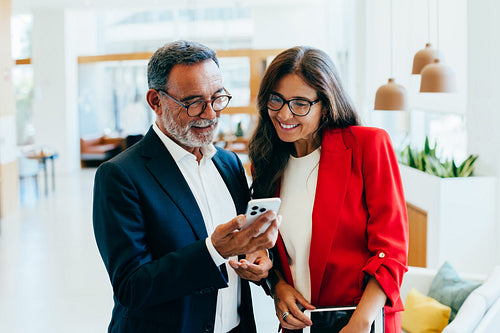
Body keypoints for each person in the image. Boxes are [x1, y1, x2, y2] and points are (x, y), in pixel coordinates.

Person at [93, 40, 280, 333]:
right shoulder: (120, 175)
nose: (210, 114)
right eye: (193, 103)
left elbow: (241, 249)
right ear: (155, 101)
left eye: (217, 98)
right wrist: (213, 251)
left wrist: (259, 261)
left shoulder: (229, 164)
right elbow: (131, 287)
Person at [248, 46, 409, 333]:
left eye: (300, 103)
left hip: (361, 320)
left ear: (325, 104)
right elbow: (267, 251)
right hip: (299, 323)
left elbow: (391, 250)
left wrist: (359, 323)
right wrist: (278, 287)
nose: (284, 113)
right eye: (277, 99)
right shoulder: (267, 163)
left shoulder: (367, 145)